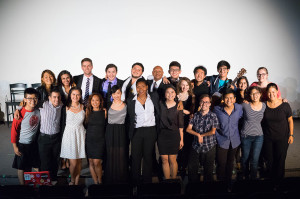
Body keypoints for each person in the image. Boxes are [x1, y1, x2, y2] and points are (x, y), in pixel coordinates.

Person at [126, 78, 159, 185]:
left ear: (147, 87)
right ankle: (135, 182)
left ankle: (147, 182)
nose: (140, 89)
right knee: (135, 157)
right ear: (136, 88)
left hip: (151, 130)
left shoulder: (154, 97)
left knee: (148, 156)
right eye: (138, 86)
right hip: (137, 131)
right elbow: (128, 117)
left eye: (143, 86)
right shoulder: (131, 100)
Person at [262, 83, 293, 185]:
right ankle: (271, 183)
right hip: (268, 139)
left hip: (282, 138)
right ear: (267, 93)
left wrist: (291, 135)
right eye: (269, 92)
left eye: (273, 92)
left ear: (277, 92)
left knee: (280, 161)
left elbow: (290, 121)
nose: (271, 94)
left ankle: (279, 183)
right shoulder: (263, 105)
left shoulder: (285, 105)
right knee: (270, 161)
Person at [213, 88, 243, 188]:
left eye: (231, 98)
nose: (229, 100)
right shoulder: (217, 109)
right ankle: (221, 185)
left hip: (234, 140)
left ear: (234, 99)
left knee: (230, 164)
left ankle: (229, 183)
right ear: (223, 99)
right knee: (221, 164)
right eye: (226, 98)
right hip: (222, 140)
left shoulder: (239, 108)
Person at [11, 88, 40, 185]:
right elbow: (14, 131)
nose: (33, 101)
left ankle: (37, 184)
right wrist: (15, 146)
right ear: (25, 99)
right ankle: (22, 186)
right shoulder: (20, 114)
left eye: (35, 98)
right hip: (22, 144)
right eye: (29, 98)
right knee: (22, 167)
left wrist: (17, 108)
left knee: (36, 165)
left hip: (34, 144)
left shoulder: (38, 110)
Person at [186, 94, 218, 182]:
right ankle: (193, 189)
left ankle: (207, 191)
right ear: (199, 103)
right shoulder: (195, 115)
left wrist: (202, 135)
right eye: (202, 102)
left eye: (207, 102)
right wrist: (198, 135)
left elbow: (213, 131)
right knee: (192, 170)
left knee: (208, 171)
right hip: (196, 146)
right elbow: (188, 129)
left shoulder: (213, 116)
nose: (204, 104)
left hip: (209, 146)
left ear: (210, 104)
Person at [60, 87, 86, 185]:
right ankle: (72, 180)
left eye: (78, 94)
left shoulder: (83, 107)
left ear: (80, 95)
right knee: (73, 162)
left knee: (79, 161)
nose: (75, 96)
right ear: (70, 95)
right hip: (69, 136)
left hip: (80, 135)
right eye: (73, 94)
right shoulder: (66, 107)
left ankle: (77, 181)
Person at [38, 87, 63, 184]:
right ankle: (44, 183)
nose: (56, 99)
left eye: (58, 97)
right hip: (44, 138)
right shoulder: (43, 104)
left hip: (56, 138)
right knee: (45, 162)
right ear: (49, 97)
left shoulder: (61, 105)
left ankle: (53, 180)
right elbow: (28, 104)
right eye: (54, 97)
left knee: (55, 161)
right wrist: (18, 109)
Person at [158, 86, 184, 180]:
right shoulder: (160, 104)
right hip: (162, 135)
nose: (170, 94)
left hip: (174, 135)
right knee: (164, 160)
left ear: (175, 94)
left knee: (172, 159)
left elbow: (181, 125)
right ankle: (167, 181)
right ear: (164, 94)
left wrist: (182, 139)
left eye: (172, 92)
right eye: (167, 92)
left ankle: (173, 181)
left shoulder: (179, 106)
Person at [240, 86, 266, 180]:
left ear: (260, 94)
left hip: (259, 137)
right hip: (246, 136)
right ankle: (245, 177)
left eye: (257, 93)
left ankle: (253, 180)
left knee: (255, 160)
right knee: (245, 159)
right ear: (249, 95)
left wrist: (284, 100)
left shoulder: (264, 105)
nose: (255, 96)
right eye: (252, 94)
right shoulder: (245, 105)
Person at [105, 85, 129, 183]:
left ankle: (122, 179)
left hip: (122, 131)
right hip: (110, 131)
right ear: (111, 94)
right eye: (114, 93)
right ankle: (111, 179)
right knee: (111, 154)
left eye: (118, 93)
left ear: (121, 93)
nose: (116, 95)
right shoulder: (107, 104)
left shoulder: (127, 105)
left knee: (121, 154)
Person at [85, 93, 107, 184]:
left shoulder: (104, 111)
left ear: (100, 101)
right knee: (91, 162)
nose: (95, 102)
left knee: (97, 162)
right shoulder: (87, 111)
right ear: (90, 102)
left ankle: (100, 181)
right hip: (89, 140)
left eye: (97, 100)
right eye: (93, 100)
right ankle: (95, 182)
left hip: (100, 140)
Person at [176, 77, 195, 178]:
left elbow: (192, 112)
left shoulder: (192, 97)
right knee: (177, 147)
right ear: (179, 85)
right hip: (176, 124)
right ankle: (177, 168)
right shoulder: (175, 95)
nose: (184, 87)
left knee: (186, 147)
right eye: (183, 85)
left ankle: (184, 168)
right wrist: (183, 111)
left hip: (187, 125)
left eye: (187, 85)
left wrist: (185, 111)